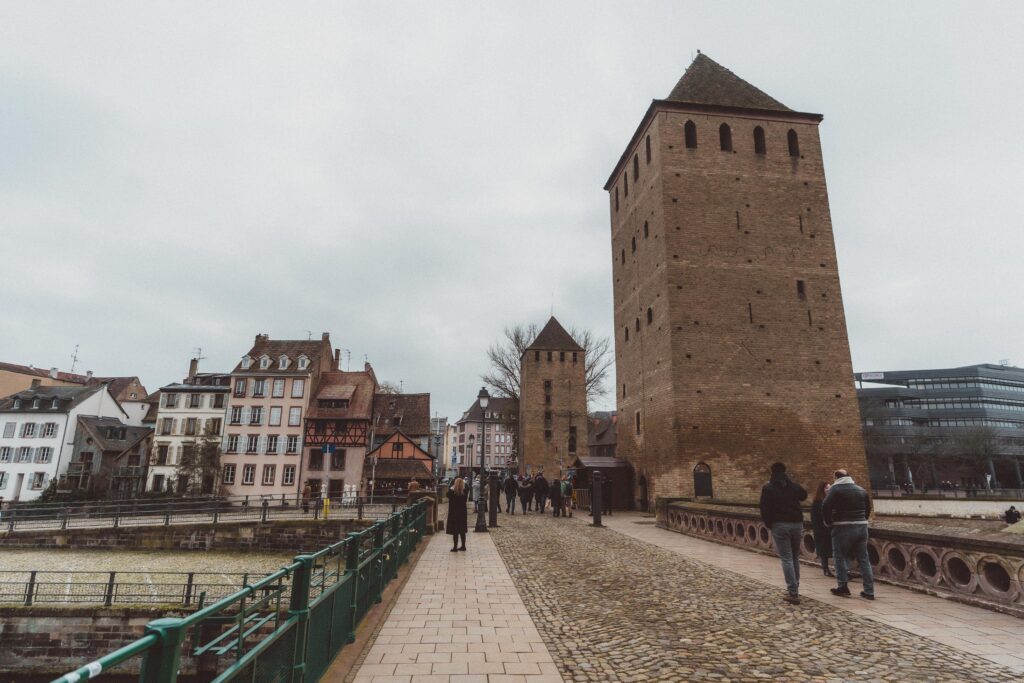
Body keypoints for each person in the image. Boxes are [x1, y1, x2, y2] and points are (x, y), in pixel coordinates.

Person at [759, 462, 808, 605]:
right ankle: (795, 588)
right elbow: (803, 495)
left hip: (780, 525)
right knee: (795, 557)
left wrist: (769, 524)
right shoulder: (793, 486)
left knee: (786, 558)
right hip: (796, 524)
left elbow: (764, 508)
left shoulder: (768, 488)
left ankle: (793, 592)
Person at [823, 468, 875, 600]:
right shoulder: (861, 490)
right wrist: (863, 520)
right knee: (864, 558)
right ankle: (869, 591)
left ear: (835, 477)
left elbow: (826, 506)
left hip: (842, 526)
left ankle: (843, 586)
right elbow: (868, 508)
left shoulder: (835, 489)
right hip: (862, 527)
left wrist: (829, 522)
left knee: (839, 556)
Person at [810, 482, 833, 577]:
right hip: (822, 530)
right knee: (824, 551)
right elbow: (815, 518)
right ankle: (825, 569)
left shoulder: (830, 500)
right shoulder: (818, 502)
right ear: (822, 490)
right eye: (827, 488)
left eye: (830, 487)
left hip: (829, 528)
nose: (829, 489)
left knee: (831, 549)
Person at [447, 478, 469, 552]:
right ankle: (463, 546)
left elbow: (447, 495)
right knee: (462, 530)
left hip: (454, 513)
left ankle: (455, 547)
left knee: (455, 531)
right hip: (462, 513)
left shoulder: (452, 491)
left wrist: (452, 487)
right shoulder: (465, 491)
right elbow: (467, 488)